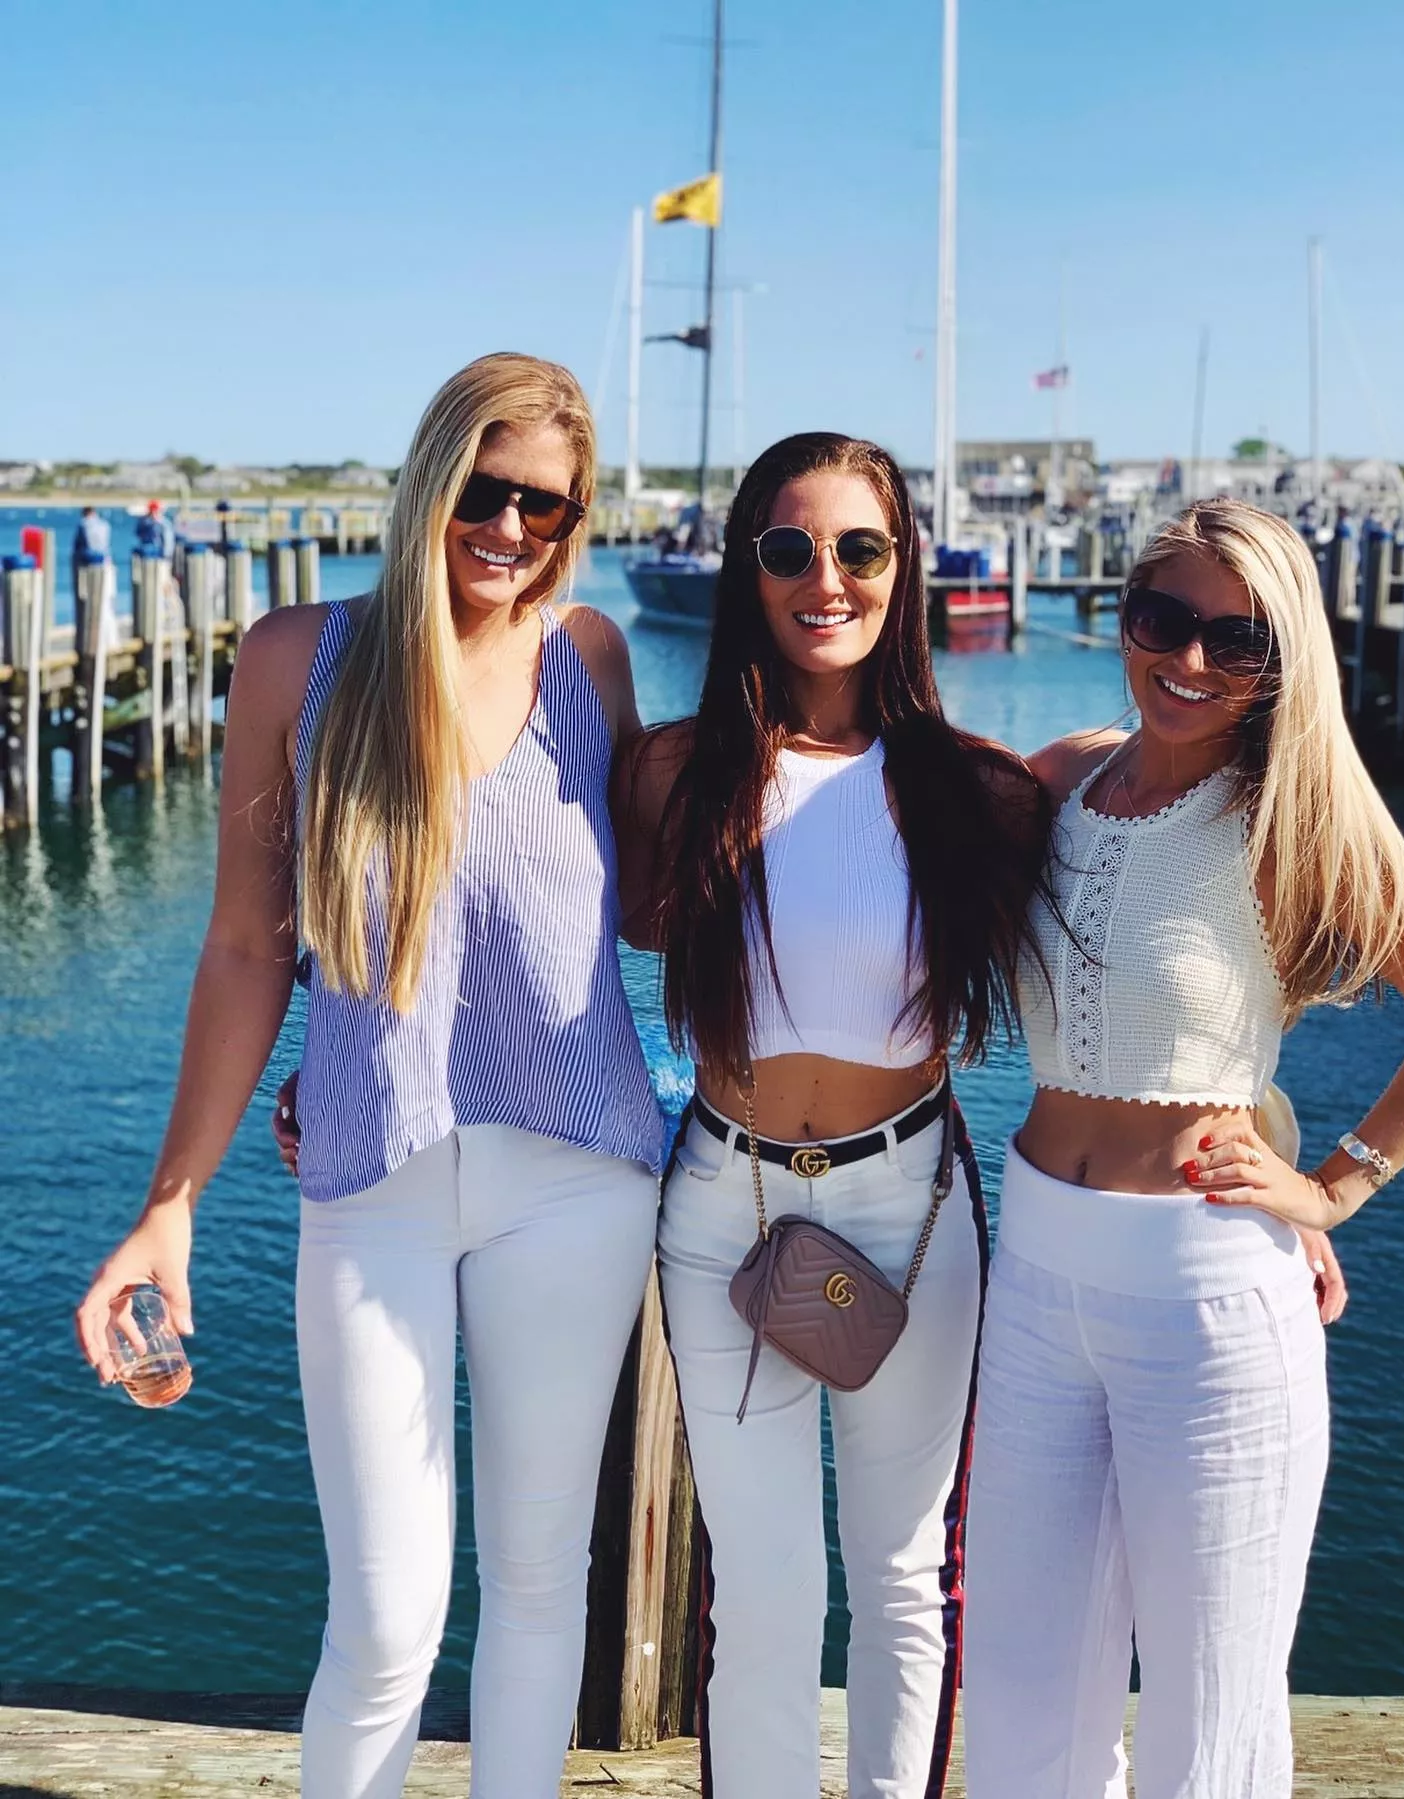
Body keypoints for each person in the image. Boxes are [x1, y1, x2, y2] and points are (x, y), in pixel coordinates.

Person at [75, 353, 665, 1799]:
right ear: (428, 477)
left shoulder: (589, 659)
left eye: (542, 500)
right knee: (388, 1616)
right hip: (367, 1170)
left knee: (538, 1586)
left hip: (578, 1175)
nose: (507, 524)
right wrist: (172, 1202)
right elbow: (243, 944)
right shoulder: (295, 657)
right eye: (481, 484)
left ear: (575, 515)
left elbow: (650, 902)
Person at [962, 498, 1404, 1798]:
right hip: (1037, 1275)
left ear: (1283, 664)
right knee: (1016, 1709)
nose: (1188, 661)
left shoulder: (1288, 816)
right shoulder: (1062, 777)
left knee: (1207, 1729)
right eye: (1163, 619)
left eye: (1237, 641)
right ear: (1123, 615)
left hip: (1208, 1298)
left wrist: (1336, 1185)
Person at [615, 432, 1051, 1799]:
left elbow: (1130, 971)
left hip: (909, 1204)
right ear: (748, 568)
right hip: (720, 1209)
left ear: (902, 565)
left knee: (904, 1576)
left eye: (860, 547)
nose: (827, 578)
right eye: (791, 547)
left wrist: (1284, 1152)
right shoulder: (676, 773)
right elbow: (534, 940)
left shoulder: (982, 791)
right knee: (763, 1589)